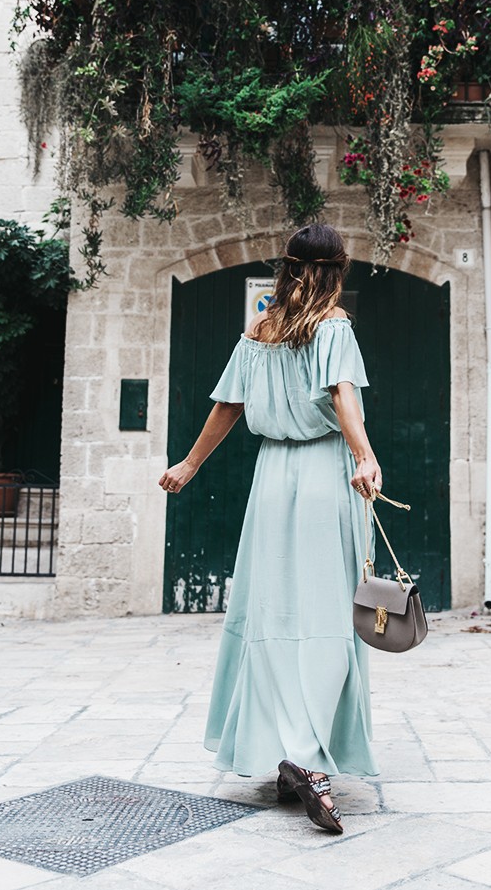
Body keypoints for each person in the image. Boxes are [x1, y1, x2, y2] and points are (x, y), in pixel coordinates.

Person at [158, 223, 382, 836]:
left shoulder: (259, 330)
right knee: (328, 616)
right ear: (337, 270)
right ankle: (309, 760)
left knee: (271, 615)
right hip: (323, 476)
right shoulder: (334, 325)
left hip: (271, 477)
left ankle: (285, 751)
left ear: (286, 268)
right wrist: (364, 455)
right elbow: (343, 398)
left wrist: (188, 464)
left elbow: (227, 406)